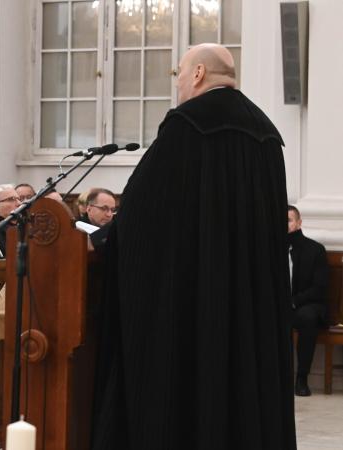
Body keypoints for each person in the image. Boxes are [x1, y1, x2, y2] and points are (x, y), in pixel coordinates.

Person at [91, 43, 296, 450]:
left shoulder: (187, 125)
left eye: (180, 73)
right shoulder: (267, 134)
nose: (179, 81)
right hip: (249, 295)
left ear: (199, 73)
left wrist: (105, 240)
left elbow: (141, 212)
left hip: (195, 291)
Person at [288, 205, 329, 397]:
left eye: (288, 220)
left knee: (307, 317)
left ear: (299, 222)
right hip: (283, 307)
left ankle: (301, 379)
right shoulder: (269, 250)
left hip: (307, 305)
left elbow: (319, 288)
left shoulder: (315, 250)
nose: (284, 225)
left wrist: (294, 301)